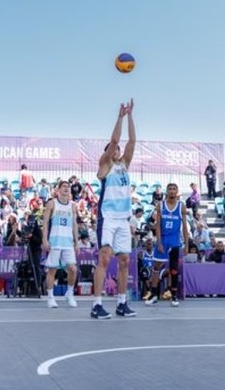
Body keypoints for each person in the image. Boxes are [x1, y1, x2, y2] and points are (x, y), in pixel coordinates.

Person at [91, 100, 137, 320]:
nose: (118, 149)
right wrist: (119, 116)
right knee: (104, 258)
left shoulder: (124, 165)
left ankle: (121, 303)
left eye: (119, 149)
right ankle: (97, 304)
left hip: (123, 219)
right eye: (114, 148)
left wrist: (130, 116)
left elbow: (132, 141)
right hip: (107, 218)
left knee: (125, 261)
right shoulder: (105, 165)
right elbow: (115, 139)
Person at [145, 183, 189, 307]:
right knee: (156, 267)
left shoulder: (181, 206)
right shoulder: (160, 205)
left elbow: (184, 227)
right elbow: (157, 225)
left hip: (175, 241)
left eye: (174, 189)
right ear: (166, 191)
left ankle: (174, 296)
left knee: (174, 269)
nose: (172, 191)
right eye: (170, 189)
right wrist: (158, 242)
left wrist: (186, 244)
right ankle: (154, 295)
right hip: (163, 240)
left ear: (177, 191)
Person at [42, 180, 79, 308]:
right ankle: (51, 297)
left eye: (68, 187)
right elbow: (45, 223)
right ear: (58, 190)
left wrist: (76, 242)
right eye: (63, 186)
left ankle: (69, 293)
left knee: (73, 269)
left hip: (68, 242)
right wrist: (45, 240)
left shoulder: (73, 206)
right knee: (52, 269)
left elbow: (74, 224)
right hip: (55, 240)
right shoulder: (52, 204)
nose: (66, 189)